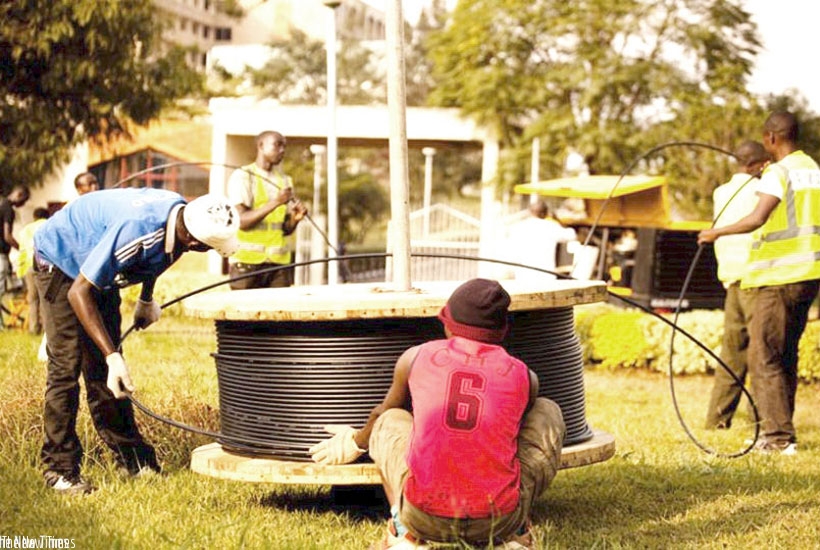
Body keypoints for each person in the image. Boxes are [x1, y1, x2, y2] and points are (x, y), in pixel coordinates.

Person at [309, 278, 566, 549]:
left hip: (421, 516)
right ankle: (516, 532)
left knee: (390, 419)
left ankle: (404, 534)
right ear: (503, 330)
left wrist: (354, 442)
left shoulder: (415, 357)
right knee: (547, 411)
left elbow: (381, 414)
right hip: (499, 519)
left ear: (447, 324)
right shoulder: (526, 377)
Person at [33, 188, 239, 494]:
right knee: (66, 367)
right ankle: (59, 470)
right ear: (195, 242)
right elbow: (79, 291)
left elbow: (160, 255)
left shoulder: (182, 218)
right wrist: (112, 355)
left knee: (107, 375)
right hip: (62, 262)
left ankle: (134, 461)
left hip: (96, 267)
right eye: (208, 248)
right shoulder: (137, 230)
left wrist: (146, 299)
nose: (207, 251)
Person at [698, 111, 820, 455]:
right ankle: (782, 432)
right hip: (808, 276)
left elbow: (757, 217)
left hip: (778, 278)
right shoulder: (813, 170)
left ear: (771, 138)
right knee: (785, 356)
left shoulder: (778, 173)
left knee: (762, 356)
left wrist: (715, 232)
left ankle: (778, 437)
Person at [704, 140, 771, 430]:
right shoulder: (762, 190)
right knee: (762, 353)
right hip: (756, 278)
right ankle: (764, 422)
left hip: (730, 278)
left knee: (731, 354)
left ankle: (717, 419)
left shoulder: (721, 192)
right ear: (756, 164)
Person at [227, 130, 307, 289]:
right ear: (261, 146)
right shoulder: (243, 176)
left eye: (284, 146)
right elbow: (242, 221)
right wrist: (276, 202)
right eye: (277, 145)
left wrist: (295, 219)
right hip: (247, 264)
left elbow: (284, 229)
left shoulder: (285, 181)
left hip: (278, 266)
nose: (282, 150)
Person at [508, 200, 578, 281]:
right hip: (545, 276)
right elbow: (572, 235)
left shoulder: (518, 227)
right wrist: (558, 220)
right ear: (545, 213)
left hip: (523, 276)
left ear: (530, 212)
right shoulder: (551, 226)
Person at [15, 207, 50, 335]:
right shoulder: (49, 225)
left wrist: (20, 272)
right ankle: (47, 329)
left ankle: (34, 328)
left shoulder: (26, 230)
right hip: (45, 266)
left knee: (33, 299)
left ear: (34, 217)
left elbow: (22, 252)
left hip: (29, 266)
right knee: (45, 298)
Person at [1, 185, 31, 328]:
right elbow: (7, 236)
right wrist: (23, 249)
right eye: (24, 201)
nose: (22, 205)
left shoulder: (1, 204)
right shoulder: (8, 209)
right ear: (19, 195)